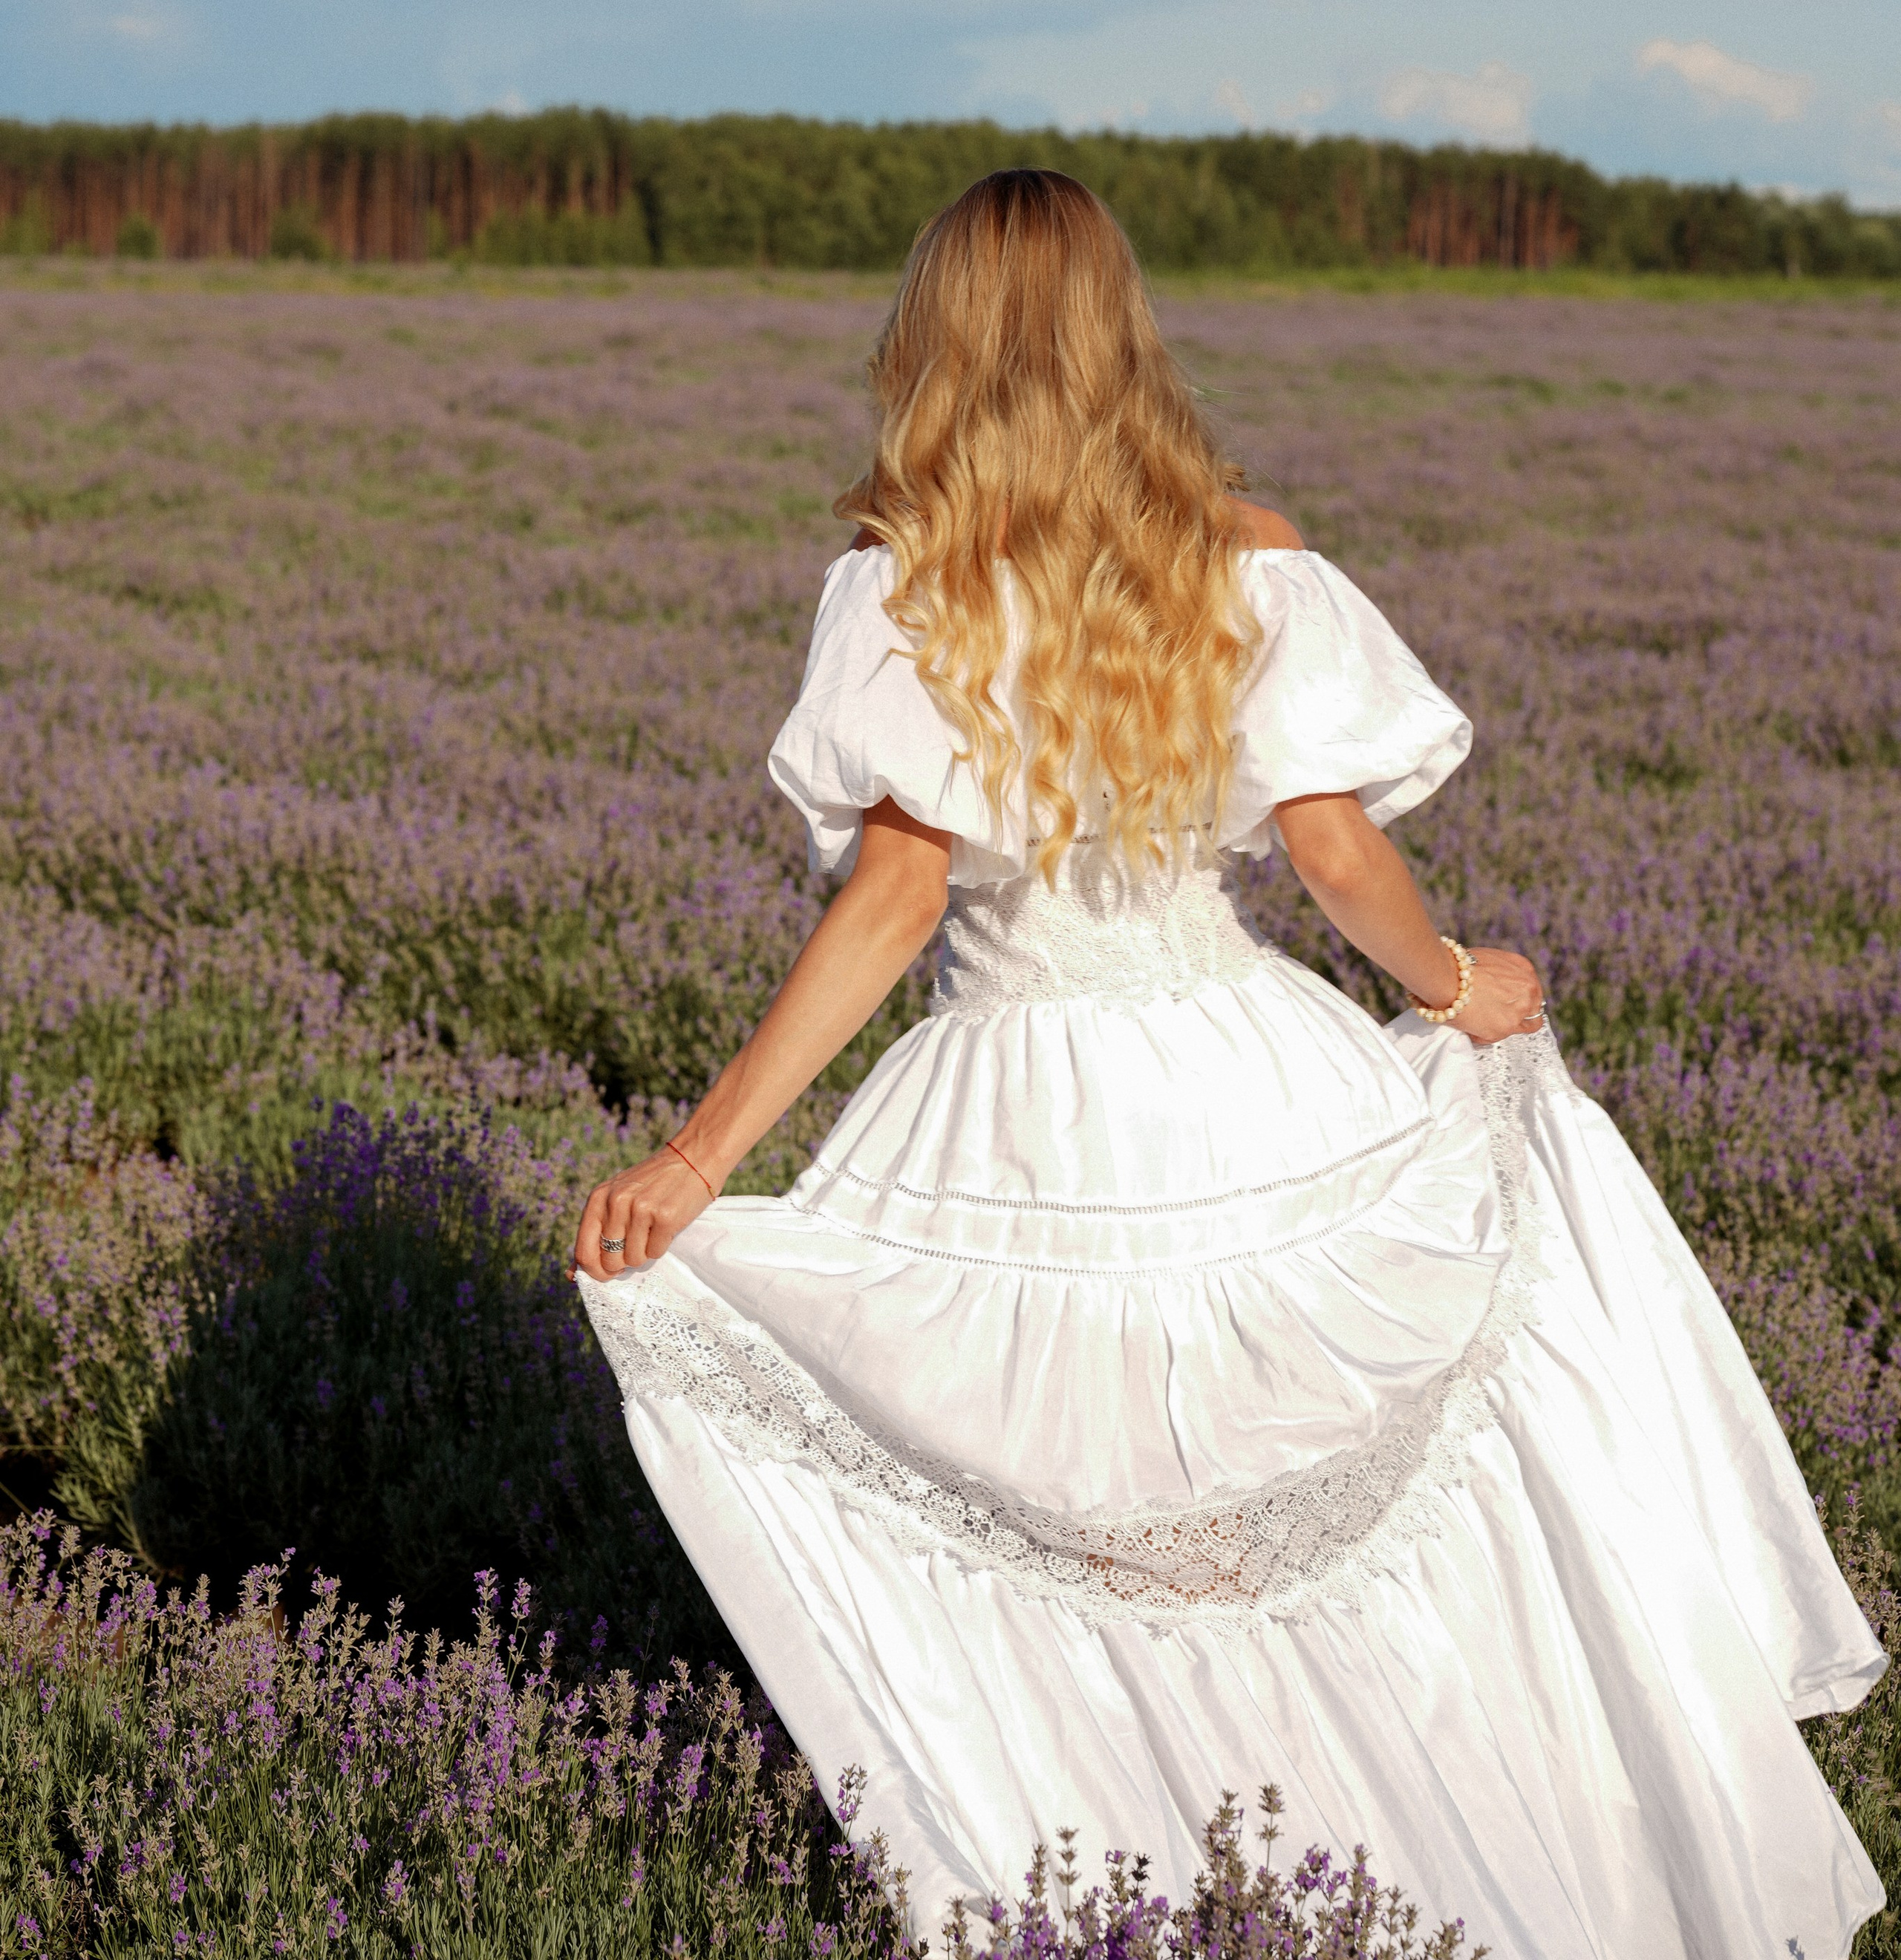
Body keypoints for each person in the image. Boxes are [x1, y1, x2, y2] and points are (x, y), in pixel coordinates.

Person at [573, 170, 1884, 1956]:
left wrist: (702, 1161)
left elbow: (890, 903)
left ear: (930, 340)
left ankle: (1151, 1870)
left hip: (1005, 1103)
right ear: (1126, 330)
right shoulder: (1240, 551)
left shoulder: (902, 584)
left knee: (1077, 1537)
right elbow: (1331, 852)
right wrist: (1450, 987)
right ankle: (1417, 1858)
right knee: (1317, 1505)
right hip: (1243, 1061)